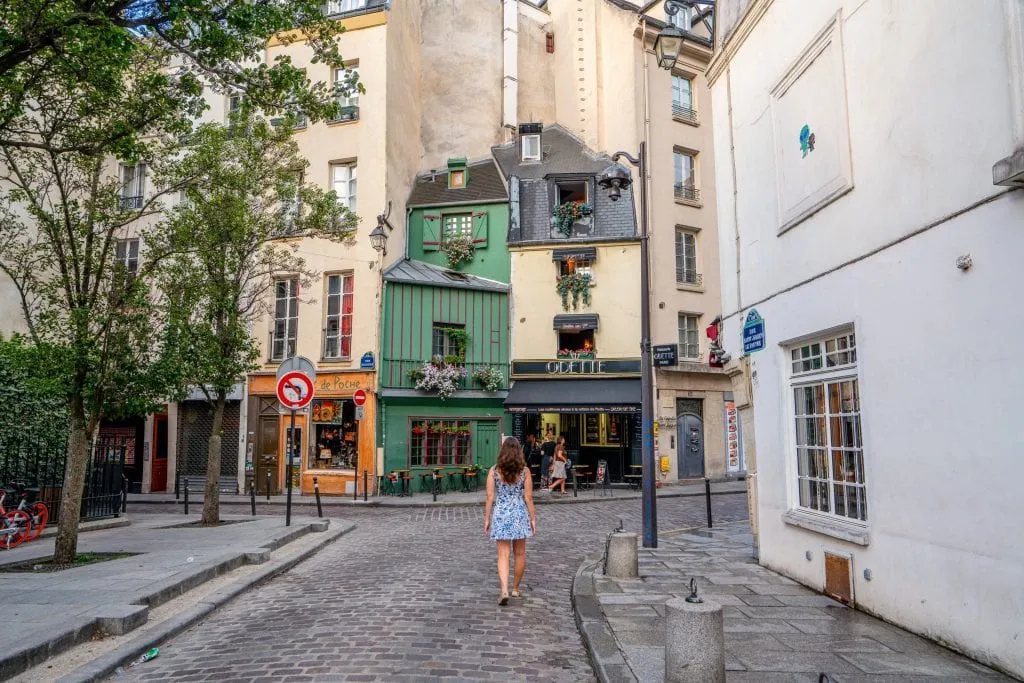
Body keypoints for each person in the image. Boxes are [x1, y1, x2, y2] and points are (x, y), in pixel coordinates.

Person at [484, 437, 537, 606]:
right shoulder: (525, 471)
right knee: (520, 553)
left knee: (503, 554)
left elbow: (490, 497)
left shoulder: (494, 471)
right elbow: (528, 497)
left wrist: (487, 518)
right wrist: (533, 518)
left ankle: (504, 590)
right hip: (519, 512)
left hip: (501, 513)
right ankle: (515, 588)